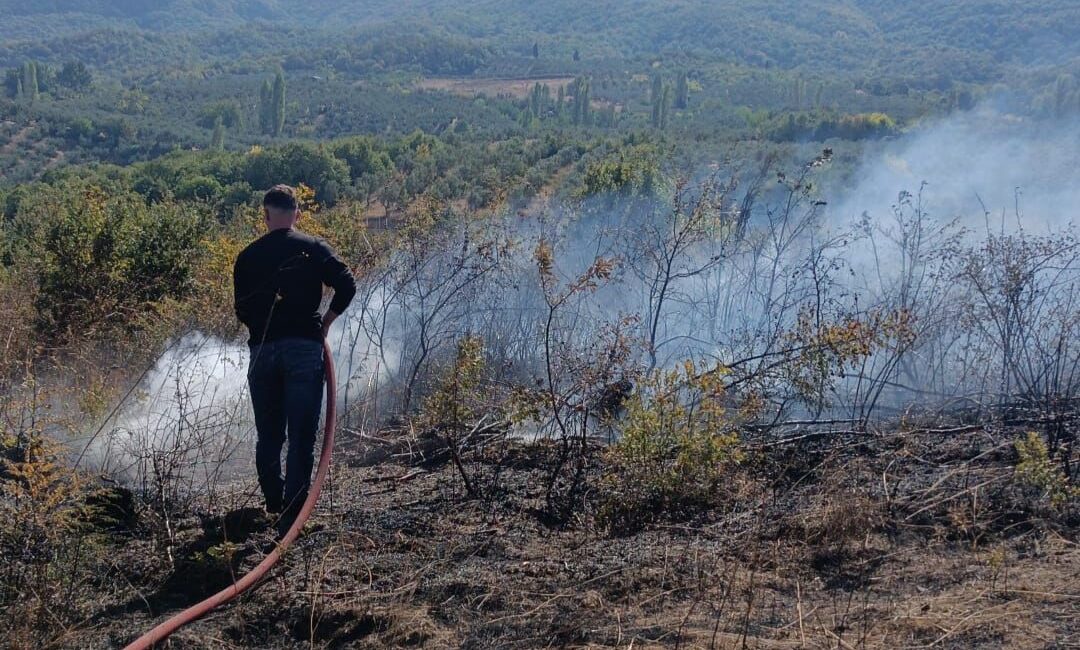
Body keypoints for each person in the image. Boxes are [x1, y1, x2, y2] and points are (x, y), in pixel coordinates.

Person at [233, 185, 356, 535]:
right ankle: (292, 511)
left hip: (261, 354)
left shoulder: (247, 256)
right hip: (304, 349)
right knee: (302, 432)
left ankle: (274, 502)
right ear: (297, 214)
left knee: (269, 433)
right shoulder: (313, 248)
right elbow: (347, 284)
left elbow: (241, 309)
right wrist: (326, 322)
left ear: (265, 215)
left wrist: (263, 328)